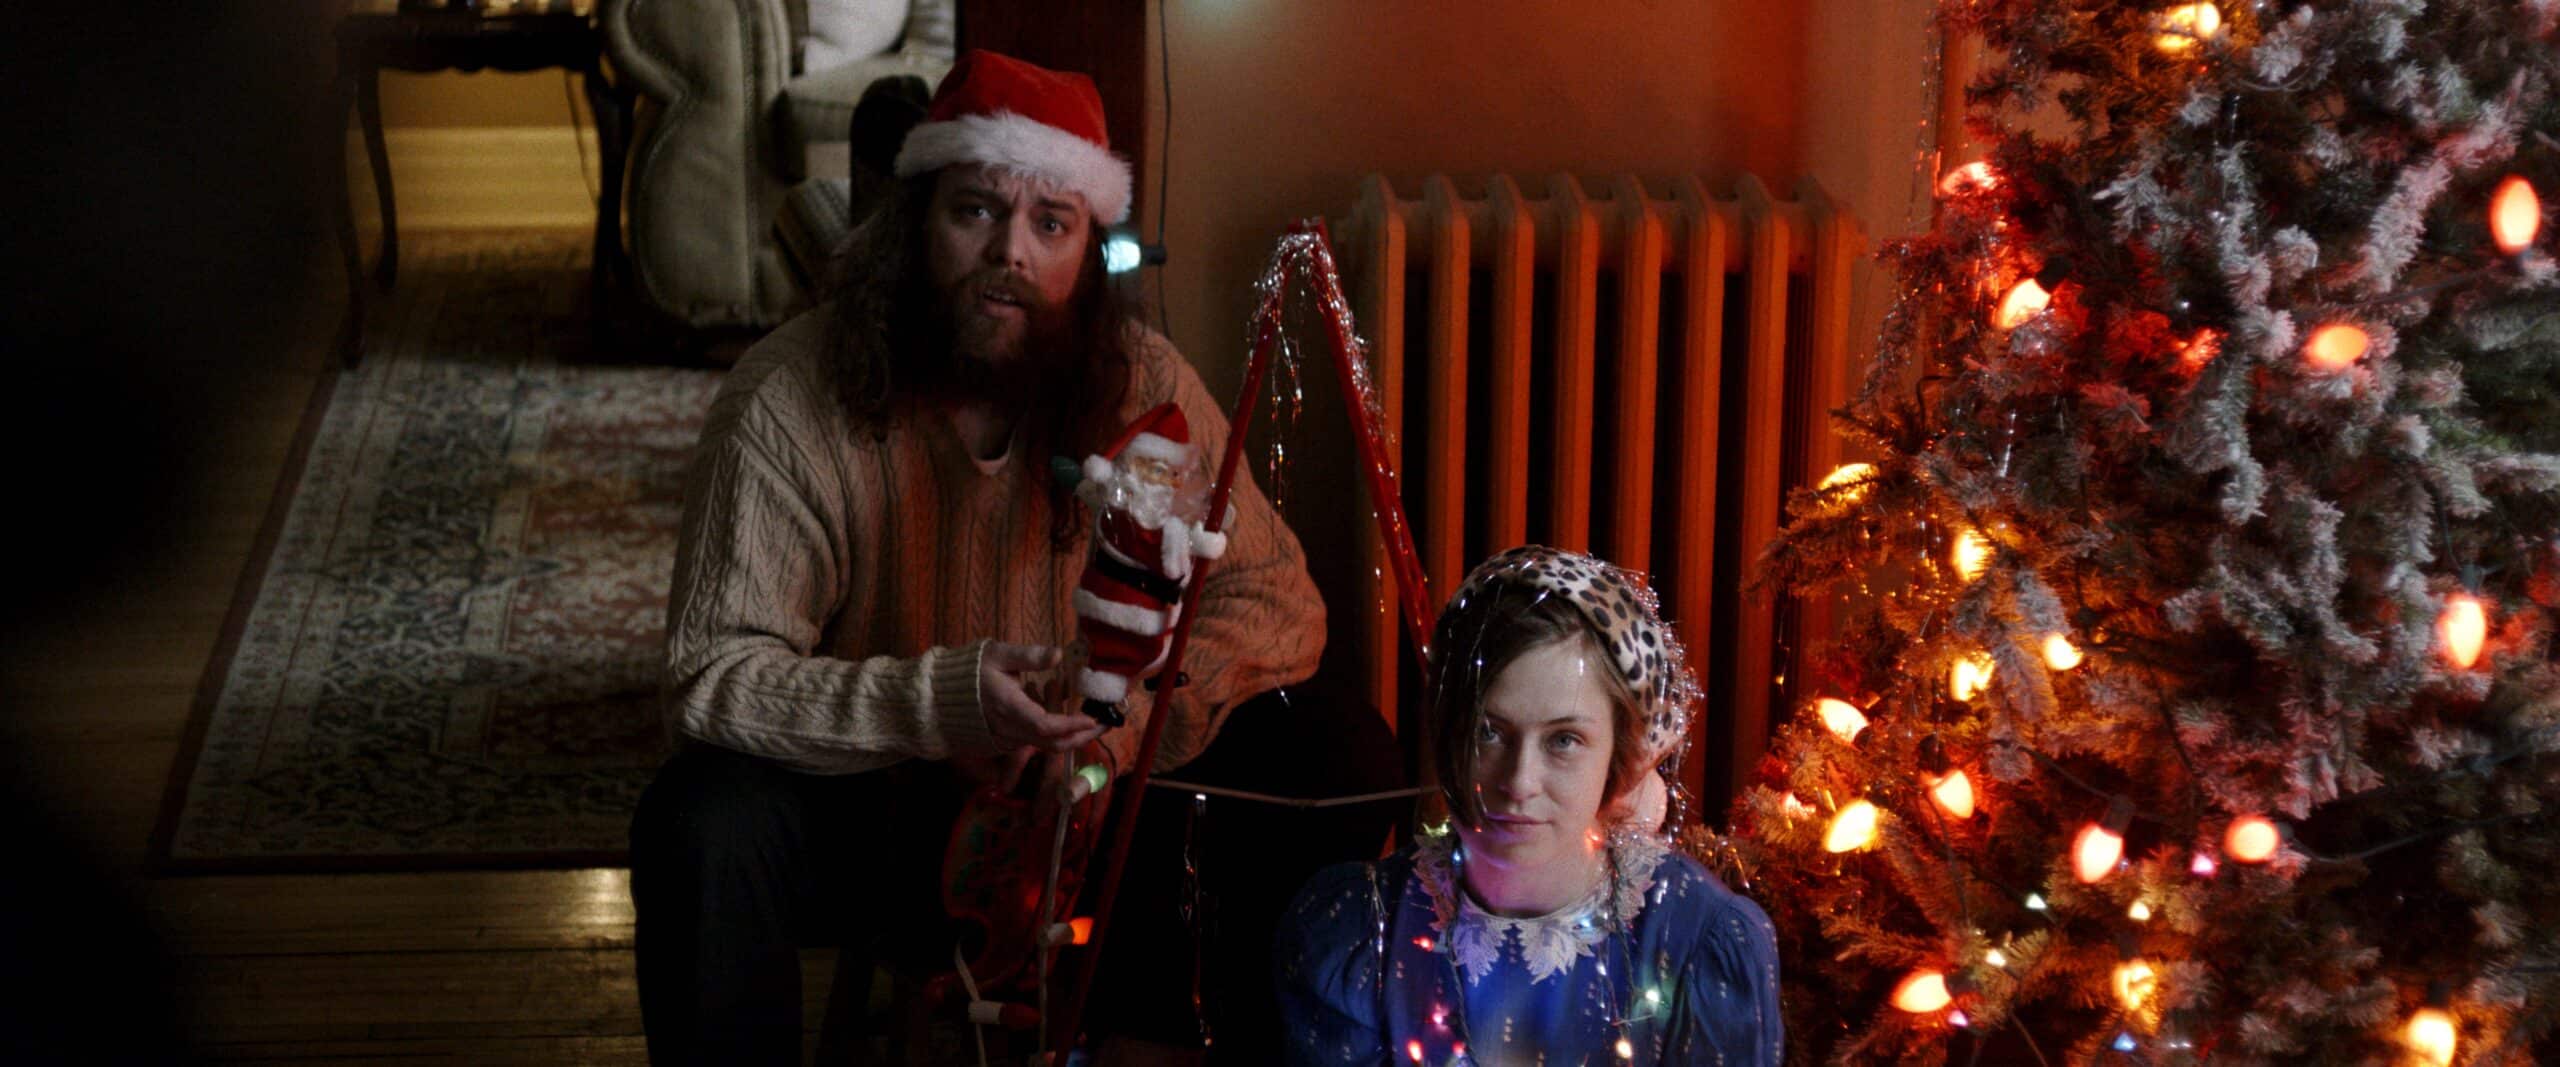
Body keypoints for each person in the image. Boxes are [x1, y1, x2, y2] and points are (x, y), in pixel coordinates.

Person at [631, 50, 1337, 1064]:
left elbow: (1279, 598)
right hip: (888, 808)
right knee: (700, 818)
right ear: (916, 220)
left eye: (1051, 224)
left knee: (1329, 743)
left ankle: (1164, 1034)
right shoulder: (787, 401)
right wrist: (943, 702)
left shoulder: (1143, 378)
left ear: (1088, 251)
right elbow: (710, 678)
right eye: (974, 211)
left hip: (1090, 804)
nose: (1010, 252)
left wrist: (1115, 729)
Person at [1276, 547, 1783, 1065]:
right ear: (1449, 734)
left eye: (1564, 740)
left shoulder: (1696, 938)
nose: (1519, 782)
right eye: (1489, 732)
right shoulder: (1365, 931)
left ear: (1619, 752)